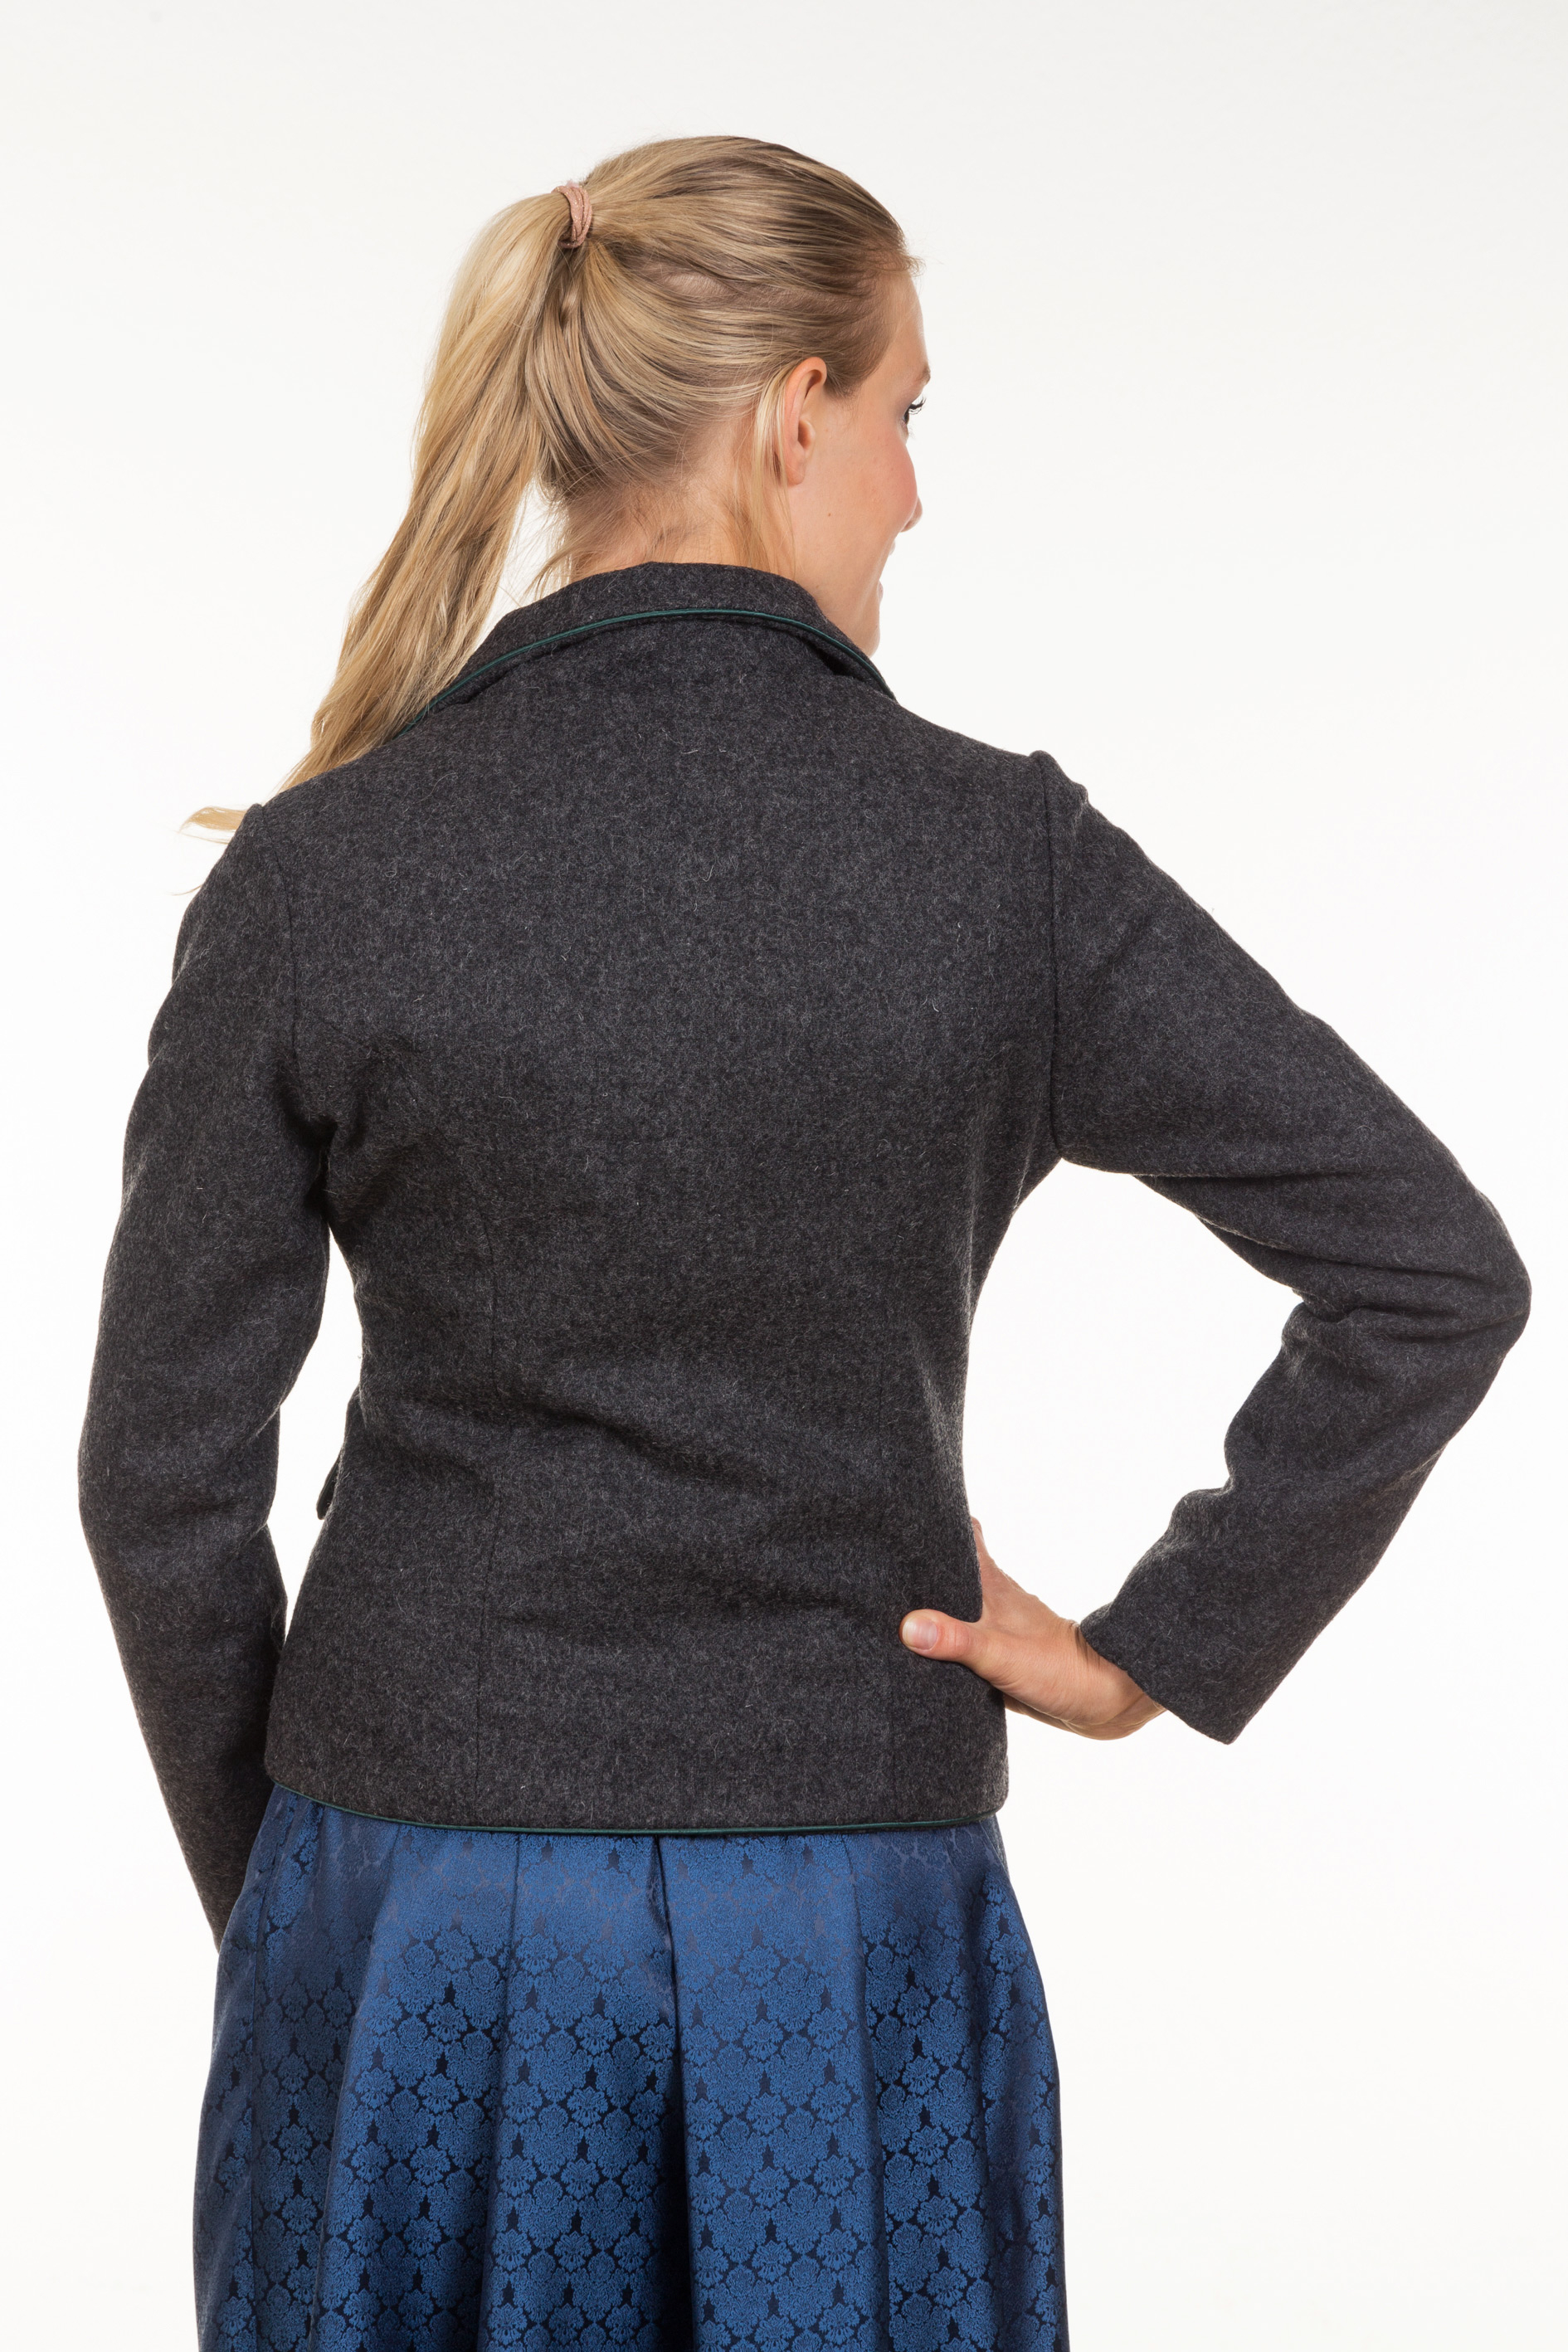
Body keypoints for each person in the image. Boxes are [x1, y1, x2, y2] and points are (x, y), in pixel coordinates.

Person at [78, 135, 1528, 2352]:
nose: (915, 496)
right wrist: (1149, 1649)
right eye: (908, 415)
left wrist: (292, 1885)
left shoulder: (318, 872)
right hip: (846, 1918)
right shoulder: (1003, 861)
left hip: (412, 1889)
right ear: (792, 414)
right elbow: (1431, 1268)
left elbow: (157, 1479)